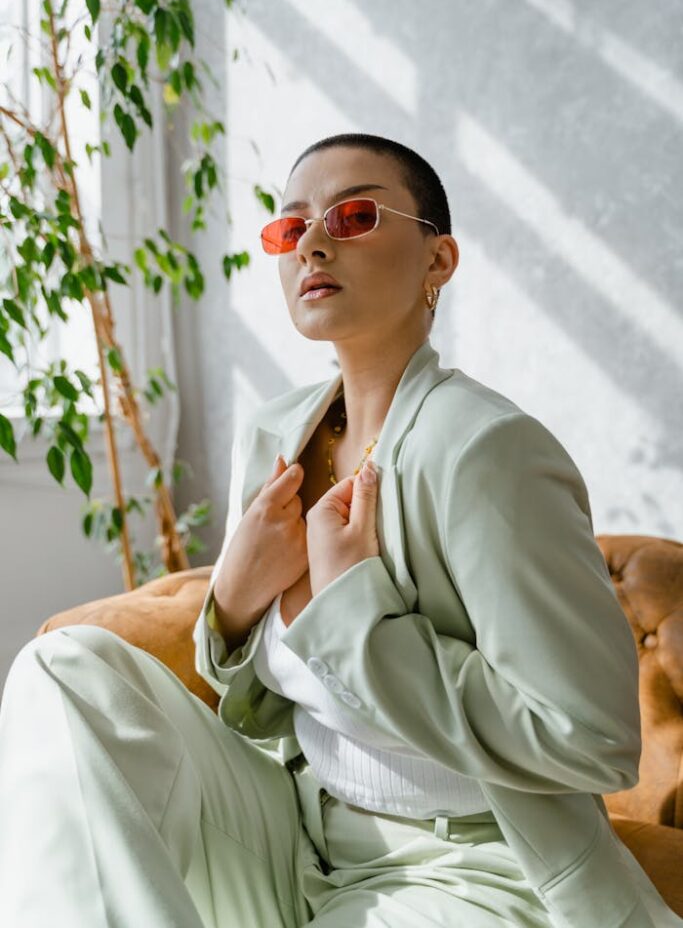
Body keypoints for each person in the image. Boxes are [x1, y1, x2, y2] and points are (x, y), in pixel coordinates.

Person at [0, 133, 679, 927]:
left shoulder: (489, 451)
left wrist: (355, 611)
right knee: (63, 667)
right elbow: (255, 698)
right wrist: (232, 604)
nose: (313, 243)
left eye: (354, 215)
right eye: (291, 229)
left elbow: (586, 738)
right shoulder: (275, 432)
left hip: (468, 865)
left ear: (438, 261)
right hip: (292, 826)